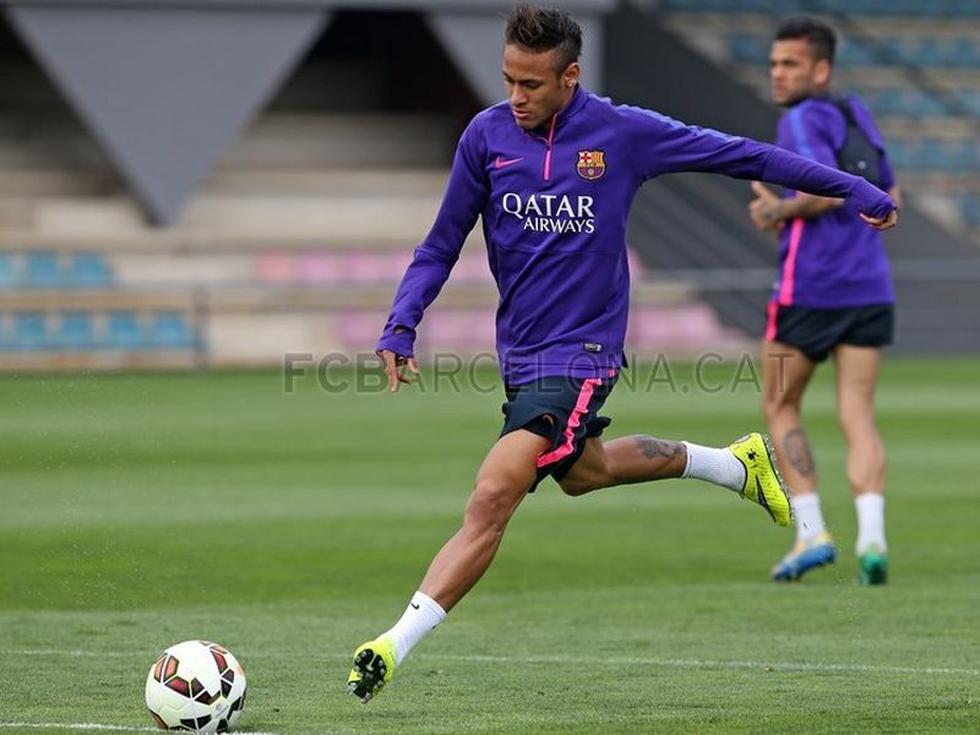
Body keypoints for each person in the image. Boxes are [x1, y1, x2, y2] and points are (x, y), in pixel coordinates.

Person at [348, 4, 898, 702]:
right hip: (522, 355)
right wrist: (402, 323)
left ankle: (391, 645)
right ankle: (732, 464)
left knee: (494, 491)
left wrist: (852, 187)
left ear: (571, 75)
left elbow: (744, 155)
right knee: (582, 471)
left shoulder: (623, 133)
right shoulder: (486, 137)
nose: (516, 97)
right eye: (509, 80)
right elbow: (441, 241)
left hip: (583, 354)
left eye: (532, 85)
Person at [748, 17, 900, 586]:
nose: (778, 75)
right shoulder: (857, 112)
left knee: (780, 405)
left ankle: (812, 529)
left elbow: (817, 187)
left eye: (789, 64)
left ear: (821, 69)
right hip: (870, 288)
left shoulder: (800, 118)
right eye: (773, 64)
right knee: (857, 414)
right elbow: (890, 190)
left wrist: (777, 211)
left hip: (809, 290)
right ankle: (873, 537)